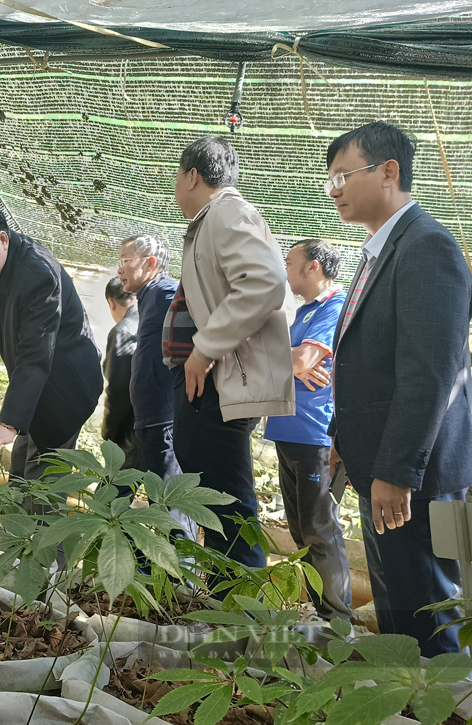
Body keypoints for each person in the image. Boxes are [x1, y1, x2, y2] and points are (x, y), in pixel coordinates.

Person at [325, 121, 472, 655]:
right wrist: (343, 435)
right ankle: (410, 699)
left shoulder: (426, 247)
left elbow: (430, 372)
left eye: (343, 177)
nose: (334, 191)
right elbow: (365, 362)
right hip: (383, 464)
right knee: (399, 595)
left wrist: (397, 471)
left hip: (415, 473)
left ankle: (439, 703)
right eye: (328, 181)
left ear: (389, 172)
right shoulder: (381, 250)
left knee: (426, 604)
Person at [164, 134, 296, 578]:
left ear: (192, 175)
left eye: (176, 176)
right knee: (212, 492)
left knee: (227, 500)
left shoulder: (227, 212)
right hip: (208, 382)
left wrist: (203, 350)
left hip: (218, 380)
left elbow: (264, 282)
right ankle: (224, 597)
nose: (175, 186)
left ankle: (238, 614)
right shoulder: (211, 220)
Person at [0, 201, 104, 513]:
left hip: (67, 389)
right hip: (39, 386)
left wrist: (9, 423)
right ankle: (19, 547)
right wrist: (15, 421)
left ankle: (49, 559)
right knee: (20, 470)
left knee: (44, 478)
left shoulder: (37, 274)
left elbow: (35, 353)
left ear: (2, 239)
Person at [264, 239, 352, 620]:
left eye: (290, 262)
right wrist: (287, 363)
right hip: (288, 430)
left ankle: (337, 621)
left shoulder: (336, 305)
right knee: (300, 531)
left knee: (320, 528)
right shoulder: (304, 312)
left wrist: (287, 361)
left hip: (316, 434)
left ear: (313, 267)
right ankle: (321, 613)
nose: (285, 270)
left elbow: (302, 358)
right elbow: (290, 362)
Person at [118, 235, 197, 540]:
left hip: (163, 419)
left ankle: (185, 578)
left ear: (150, 263)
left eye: (126, 260)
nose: (119, 268)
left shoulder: (166, 293)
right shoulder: (149, 296)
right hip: (147, 418)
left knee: (169, 505)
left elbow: (197, 331)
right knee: (156, 500)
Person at [102, 277, 140, 471]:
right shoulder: (151, 319)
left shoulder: (123, 331)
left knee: (113, 490)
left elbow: (118, 388)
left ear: (111, 302)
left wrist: (109, 433)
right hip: (164, 422)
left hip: (132, 427)